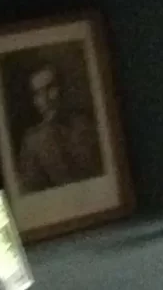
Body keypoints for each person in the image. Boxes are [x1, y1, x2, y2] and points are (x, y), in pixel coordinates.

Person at [12, 59, 102, 192]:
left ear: (63, 88)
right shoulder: (32, 142)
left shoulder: (88, 125)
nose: (46, 99)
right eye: (38, 93)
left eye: (50, 88)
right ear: (34, 101)